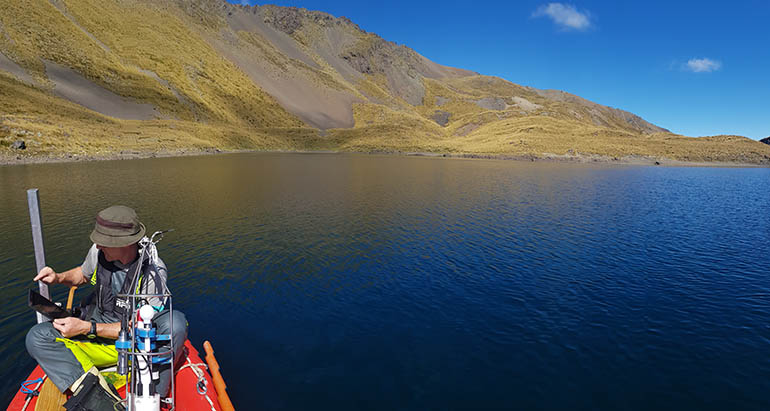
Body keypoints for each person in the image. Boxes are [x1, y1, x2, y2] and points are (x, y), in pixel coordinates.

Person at [25, 205, 187, 397]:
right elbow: (82, 275)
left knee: (175, 323)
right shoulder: (98, 251)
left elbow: (140, 328)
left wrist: (86, 328)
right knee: (37, 337)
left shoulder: (153, 271)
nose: (99, 245)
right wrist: (58, 277)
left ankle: (153, 394)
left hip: (131, 348)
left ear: (125, 243)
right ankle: (101, 398)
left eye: (104, 242)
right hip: (96, 339)